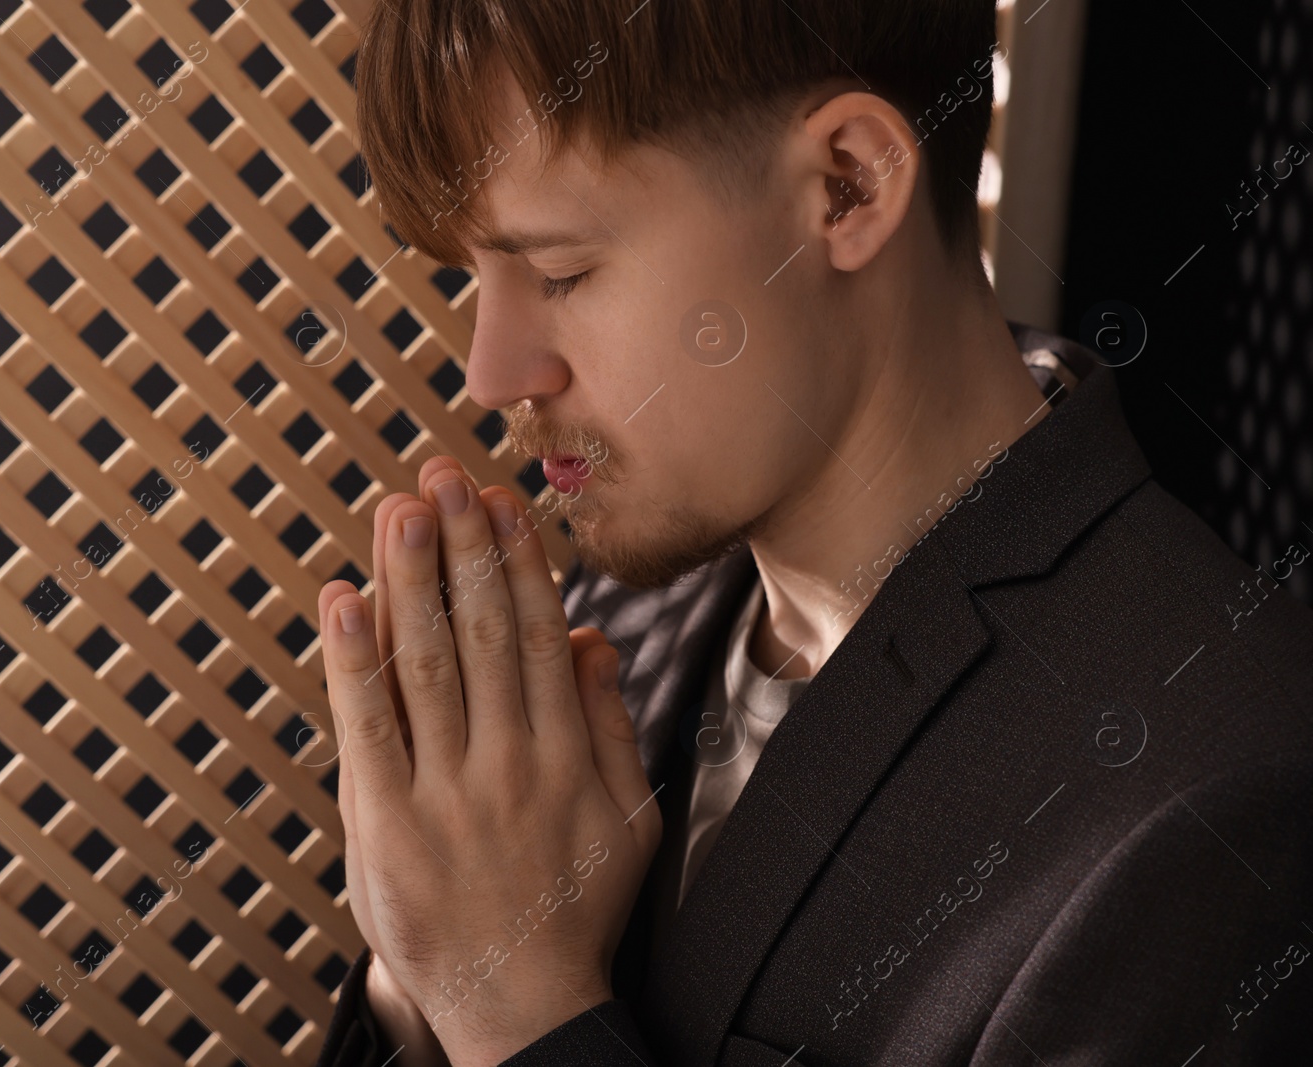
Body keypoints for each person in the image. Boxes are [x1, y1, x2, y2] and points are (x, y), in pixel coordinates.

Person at [312, 1, 1313, 1064]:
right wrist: (419, 960)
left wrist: (511, 1005)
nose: (492, 372)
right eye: (475, 275)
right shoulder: (641, 582)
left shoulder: (1216, 797)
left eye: (560, 272)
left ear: (848, 184)